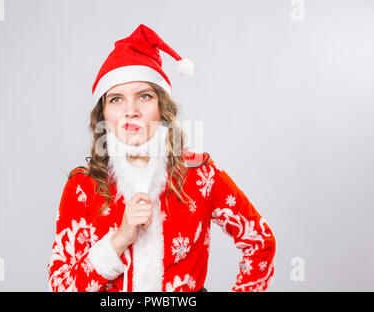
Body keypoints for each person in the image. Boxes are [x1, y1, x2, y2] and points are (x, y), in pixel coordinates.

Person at [47, 24, 276, 292]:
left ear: (161, 107)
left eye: (144, 96)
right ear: (103, 113)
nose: (130, 111)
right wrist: (119, 240)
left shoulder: (200, 174)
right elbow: (61, 287)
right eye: (116, 99)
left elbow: (260, 242)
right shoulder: (83, 187)